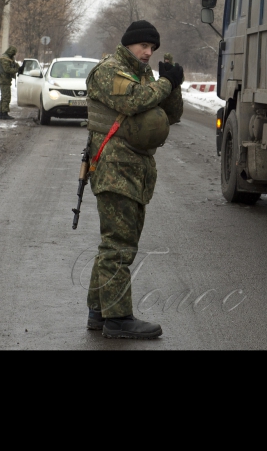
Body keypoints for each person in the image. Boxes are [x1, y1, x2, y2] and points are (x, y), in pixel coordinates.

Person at [85, 20, 184, 339]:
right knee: (118, 244)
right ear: (128, 43)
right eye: (143, 45)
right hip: (114, 169)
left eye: (152, 47)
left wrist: (173, 83)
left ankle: (100, 312)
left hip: (134, 170)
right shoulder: (109, 71)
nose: (148, 52)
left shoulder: (145, 75)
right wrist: (164, 85)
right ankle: (118, 319)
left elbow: (173, 115)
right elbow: (133, 101)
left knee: (114, 242)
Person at [0, 46, 21, 120]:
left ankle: (2, 113)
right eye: (13, 53)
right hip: (4, 81)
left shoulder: (8, 58)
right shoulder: (5, 59)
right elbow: (7, 70)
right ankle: (4, 114)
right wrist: (17, 70)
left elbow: (13, 64)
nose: (14, 55)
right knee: (6, 97)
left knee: (4, 97)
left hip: (5, 80)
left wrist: (18, 67)